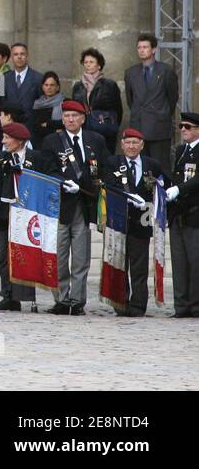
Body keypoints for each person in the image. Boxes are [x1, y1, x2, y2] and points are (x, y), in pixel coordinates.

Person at [35, 101, 102, 316]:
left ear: (83, 118)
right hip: (60, 205)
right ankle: (62, 299)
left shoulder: (95, 140)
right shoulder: (52, 141)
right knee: (60, 256)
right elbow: (47, 168)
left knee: (81, 258)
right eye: (67, 116)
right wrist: (62, 182)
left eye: (74, 115)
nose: (70, 119)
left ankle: (77, 300)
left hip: (84, 206)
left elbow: (104, 168)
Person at [101, 129, 166, 317]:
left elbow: (162, 184)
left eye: (135, 143)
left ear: (142, 145)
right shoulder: (113, 162)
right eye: (128, 142)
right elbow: (108, 183)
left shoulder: (152, 164)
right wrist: (127, 196)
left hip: (141, 222)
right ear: (122, 144)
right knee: (119, 264)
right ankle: (120, 303)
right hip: (118, 220)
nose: (131, 146)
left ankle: (138, 305)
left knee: (139, 267)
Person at [0, 122, 44, 312]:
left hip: (27, 214)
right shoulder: (0, 158)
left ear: (19, 141)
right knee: (3, 255)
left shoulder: (36, 158)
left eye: (7, 138)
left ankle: (26, 295)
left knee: (24, 254)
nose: (3, 142)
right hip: (3, 213)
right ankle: (8, 295)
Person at [123, 32, 180, 167]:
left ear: (154, 49)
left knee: (160, 166)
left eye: (145, 47)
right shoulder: (131, 72)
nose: (142, 50)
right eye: (139, 47)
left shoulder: (166, 71)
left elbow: (172, 98)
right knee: (140, 166)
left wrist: (162, 113)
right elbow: (130, 99)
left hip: (159, 127)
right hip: (138, 125)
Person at [166, 112, 199, 318]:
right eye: (181, 127)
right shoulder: (180, 150)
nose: (183, 130)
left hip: (195, 212)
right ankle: (181, 305)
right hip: (178, 213)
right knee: (179, 262)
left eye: (188, 126)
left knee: (195, 262)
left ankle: (196, 305)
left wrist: (180, 189)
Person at [70, 47, 123, 154]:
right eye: (85, 62)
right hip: (83, 129)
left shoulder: (109, 85)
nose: (88, 64)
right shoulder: (78, 86)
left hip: (104, 130)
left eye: (91, 62)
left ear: (99, 65)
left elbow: (118, 110)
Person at [2, 42, 42, 116]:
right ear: (11, 58)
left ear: (27, 56)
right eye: (16, 54)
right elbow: (1, 103)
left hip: (30, 125)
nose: (19, 57)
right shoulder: (4, 78)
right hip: (10, 124)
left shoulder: (38, 78)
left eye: (22, 54)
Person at [30, 72, 65, 144]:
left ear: (57, 87)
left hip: (60, 142)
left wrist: (48, 124)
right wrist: (54, 130)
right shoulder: (37, 104)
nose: (49, 87)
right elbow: (36, 127)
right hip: (41, 143)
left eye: (52, 85)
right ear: (42, 87)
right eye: (46, 85)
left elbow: (66, 122)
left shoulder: (65, 102)